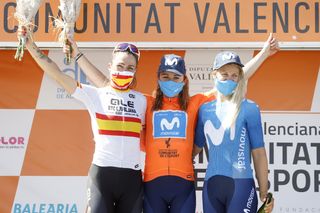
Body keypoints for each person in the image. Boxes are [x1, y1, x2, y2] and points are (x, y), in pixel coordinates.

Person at [68, 34, 278, 213]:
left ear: (184, 80)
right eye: (165, 76)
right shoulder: (145, 103)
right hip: (152, 184)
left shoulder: (195, 104)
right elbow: (105, 87)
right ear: (158, 78)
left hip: (183, 184)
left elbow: (234, 81)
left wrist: (263, 54)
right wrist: (77, 54)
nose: (170, 81)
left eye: (175, 77)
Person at [20, 27, 146, 213]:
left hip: (132, 179)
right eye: (120, 66)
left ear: (135, 71)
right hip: (102, 176)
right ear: (110, 66)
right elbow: (58, 74)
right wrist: (31, 47)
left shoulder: (142, 101)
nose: (124, 71)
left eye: (130, 68)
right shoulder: (95, 95)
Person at [194, 51, 273, 213]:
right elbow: (195, 148)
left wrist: (264, 190)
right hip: (211, 186)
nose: (230, 79)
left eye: (234, 76)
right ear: (214, 76)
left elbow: (259, 153)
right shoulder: (204, 109)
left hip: (241, 186)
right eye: (224, 74)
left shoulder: (250, 108)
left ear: (240, 78)